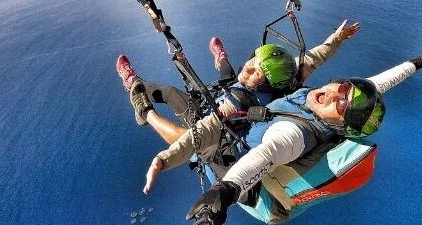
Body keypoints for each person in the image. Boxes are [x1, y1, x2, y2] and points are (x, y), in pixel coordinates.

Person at [140, 51, 422, 225]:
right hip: (250, 130)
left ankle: (145, 113)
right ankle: (219, 63)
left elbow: (268, 154)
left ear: (341, 127)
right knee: (230, 96)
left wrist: (224, 190)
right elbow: (378, 83)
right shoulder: (320, 100)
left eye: (339, 105)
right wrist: (415, 65)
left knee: (193, 133)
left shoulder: (296, 133)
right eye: (341, 87)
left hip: (238, 167)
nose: (331, 95)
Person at [117, 20, 361, 145]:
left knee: (169, 92)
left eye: (257, 71)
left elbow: (185, 139)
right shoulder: (289, 76)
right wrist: (337, 37)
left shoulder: (233, 106)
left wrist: (149, 114)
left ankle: (135, 88)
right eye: (255, 57)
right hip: (235, 91)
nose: (250, 65)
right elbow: (316, 56)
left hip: (210, 117)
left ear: (265, 84)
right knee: (230, 74)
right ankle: (219, 58)